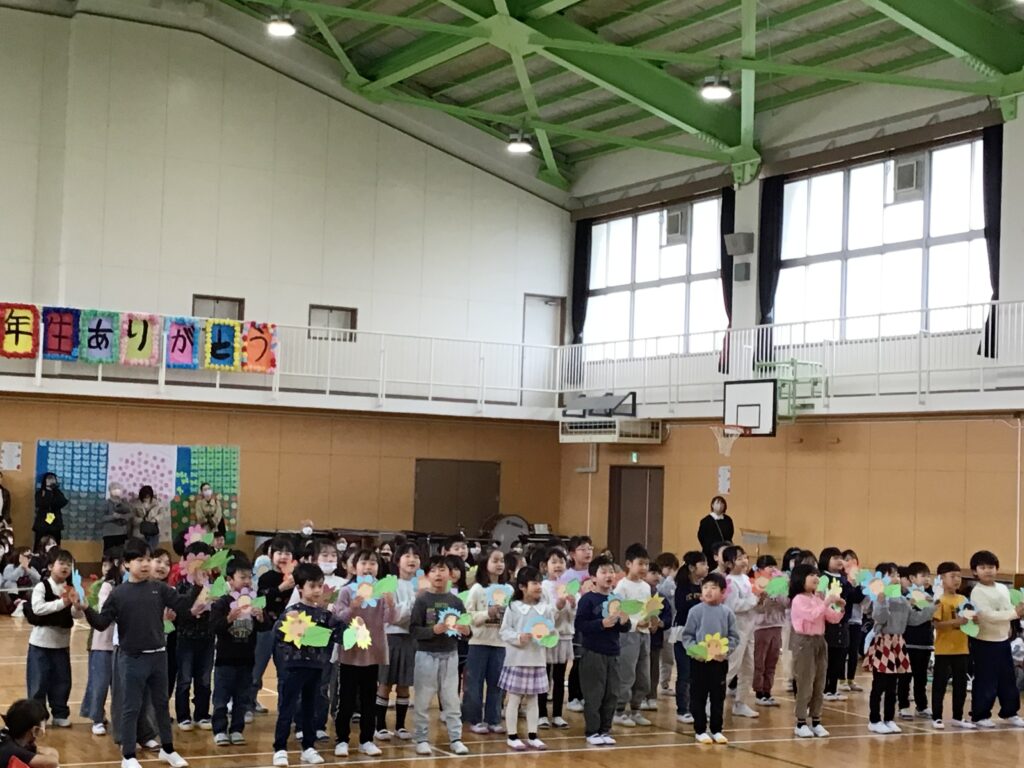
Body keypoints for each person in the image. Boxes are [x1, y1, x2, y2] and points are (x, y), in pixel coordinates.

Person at [82, 537, 202, 768]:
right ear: (126, 564)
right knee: (131, 707)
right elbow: (101, 623)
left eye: (148, 559)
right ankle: (128, 756)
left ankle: (167, 749)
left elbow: (183, 605)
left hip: (158, 656)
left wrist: (196, 586)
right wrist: (86, 608)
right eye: (139, 560)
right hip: (131, 658)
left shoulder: (160, 588)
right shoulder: (119, 594)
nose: (146, 564)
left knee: (161, 705)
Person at [271, 563, 339, 767]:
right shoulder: (293, 611)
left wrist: (353, 628)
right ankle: (280, 748)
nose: (317, 590)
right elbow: (280, 633)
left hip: (316, 667)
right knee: (288, 707)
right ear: (300, 588)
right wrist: (299, 629)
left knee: (311, 708)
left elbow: (336, 635)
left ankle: (308, 747)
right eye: (312, 586)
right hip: (294, 667)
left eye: (320, 585)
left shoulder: (325, 614)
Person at [333, 550, 395, 758]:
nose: (368, 567)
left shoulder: (382, 592)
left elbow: (391, 619)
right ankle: (342, 739)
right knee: (347, 700)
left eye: (373, 563)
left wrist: (391, 602)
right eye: (364, 562)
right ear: (354, 567)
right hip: (351, 652)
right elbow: (339, 617)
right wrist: (353, 606)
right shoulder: (346, 591)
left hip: (373, 652)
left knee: (369, 699)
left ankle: (366, 740)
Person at [409, 555, 470, 756]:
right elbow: (414, 630)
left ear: (450, 574)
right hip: (426, 655)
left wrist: (466, 631)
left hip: (450, 654)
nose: (438, 574)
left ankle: (456, 738)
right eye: (433, 570)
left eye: (442, 569)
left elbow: (467, 630)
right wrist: (433, 630)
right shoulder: (422, 600)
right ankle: (421, 738)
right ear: (427, 575)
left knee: (452, 699)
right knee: (423, 700)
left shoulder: (456, 601)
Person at [575, 555, 630, 746]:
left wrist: (625, 622)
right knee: (594, 693)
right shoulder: (588, 600)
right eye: (603, 572)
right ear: (593, 577)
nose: (609, 575)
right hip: (593, 652)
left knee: (612, 693)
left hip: (613, 652)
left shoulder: (617, 599)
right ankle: (592, 731)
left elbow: (624, 627)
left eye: (611, 572)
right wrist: (601, 624)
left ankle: (605, 729)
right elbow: (580, 624)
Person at [25, 548, 82, 726]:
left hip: (61, 645)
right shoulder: (42, 587)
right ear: (50, 566)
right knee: (38, 684)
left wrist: (77, 605)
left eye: (69, 564)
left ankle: (60, 714)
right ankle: (37, 717)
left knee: (62, 682)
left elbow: (77, 615)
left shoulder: (71, 588)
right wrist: (62, 602)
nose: (65, 567)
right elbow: (38, 608)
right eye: (61, 563)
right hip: (40, 645)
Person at [967, 549, 1024, 728]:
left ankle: (1010, 712)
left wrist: (1014, 615)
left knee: (1007, 679)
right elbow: (987, 615)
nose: (988, 571)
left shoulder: (1002, 588)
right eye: (983, 567)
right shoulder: (977, 592)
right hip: (984, 641)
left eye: (991, 567)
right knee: (986, 679)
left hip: (1002, 641)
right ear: (975, 571)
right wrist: (1015, 613)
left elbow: (1007, 610)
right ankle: (980, 715)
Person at [498, 566, 552, 751]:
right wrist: (519, 637)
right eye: (534, 583)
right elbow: (504, 631)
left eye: (540, 582)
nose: (539, 586)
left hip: (537, 659)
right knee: (514, 699)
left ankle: (533, 735)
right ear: (522, 586)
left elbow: (551, 630)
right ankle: (512, 736)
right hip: (517, 659)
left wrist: (547, 636)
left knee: (533, 699)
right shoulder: (513, 607)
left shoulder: (545, 608)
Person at [209, 555, 261, 746]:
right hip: (225, 660)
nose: (247, 581)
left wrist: (261, 617)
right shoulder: (222, 603)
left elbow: (264, 627)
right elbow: (214, 626)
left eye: (249, 577)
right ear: (230, 580)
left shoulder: (254, 601)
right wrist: (229, 619)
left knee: (242, 698)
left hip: (246, 659)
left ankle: (237, 729)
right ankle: (220, 730)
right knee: (221, 698)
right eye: (242, 577)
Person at [789, 562, 845, 738]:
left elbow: (833, 618)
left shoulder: (817, 599)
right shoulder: (798, 600)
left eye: (816, 575)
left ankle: (816, 720)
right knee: (805, 682)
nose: (816, 578)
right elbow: (811, 616)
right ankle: (800, 722)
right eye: (811, 575)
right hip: (804, 642)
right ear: (800, 579)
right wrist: (826, 601)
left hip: (820, 641)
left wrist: (840, 607)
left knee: (819, 682)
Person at [682, 572, 739, 745]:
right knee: (698, 696)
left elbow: (734, 637)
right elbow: (687, 636)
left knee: (717, 696)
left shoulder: (727, 613)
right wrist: (696, 651)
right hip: (699, 662)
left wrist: (725, 652)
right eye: (705, 587)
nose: (708, 591)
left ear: (723, 592)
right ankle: (700, 729)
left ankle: (716, 729)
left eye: (713, 588)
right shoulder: (695, 611)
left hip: (719, 662)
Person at [376, 541, 420, 741]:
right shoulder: (389, 583)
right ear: (397, 560)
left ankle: (401, 725)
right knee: (385, 682)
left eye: (416, 556)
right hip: (390, 637)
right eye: (407, 555)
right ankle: (380, 725)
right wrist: (414, 601)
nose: (412, 560)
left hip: (411, 638)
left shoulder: (422, 584)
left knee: (404, 684)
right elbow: (393, 616)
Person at [462, 547, 508, 735]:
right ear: (485, 564)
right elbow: (468, 615)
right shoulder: (477, 589)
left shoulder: (509, 589)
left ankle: (493, 719)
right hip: (478, 643)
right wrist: (486, 614)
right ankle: (474, 719)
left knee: (497, 683)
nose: (499, 564)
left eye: (502, 561)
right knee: (474, 683)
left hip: (500, 644)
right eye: (495, 560)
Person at [250, 537, 296, 718]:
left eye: (287, 553)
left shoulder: (297, 578)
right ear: (271, 556)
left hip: (289, 630)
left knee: (286, 672)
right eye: (279, 552)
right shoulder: (266, 577)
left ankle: (285, 709)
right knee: (257, 668)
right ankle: (248, 703)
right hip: (266, 628)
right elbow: (261, 599)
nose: (283, 556)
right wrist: (281, 588)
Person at [612, 543, 656, 727]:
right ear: (629, 564)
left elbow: (647, 608)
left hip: (644, 635)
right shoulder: (621, 587)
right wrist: (636, 623)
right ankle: (618, 710)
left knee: (643, 674)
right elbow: (618, 612)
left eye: (647, 564)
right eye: (640, 564)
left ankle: (636, 709)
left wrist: (651, 620)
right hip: (628, 634)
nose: (644, 568)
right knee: (627, 673)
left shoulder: (646, 587)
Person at [865, 567, 913, 735]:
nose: (896, 578)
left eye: (897, 574)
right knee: (879, 684)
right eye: (891, 575)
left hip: (898, 642)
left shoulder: (903, 600)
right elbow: (880, 618)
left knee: (893, 685)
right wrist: (881, 600)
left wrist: (929, 608)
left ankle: (889, 718)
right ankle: (874, 720)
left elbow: (913, 619)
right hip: (884, 642)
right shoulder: (880, 598)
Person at [174, 542, 215, 732]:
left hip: (207, 638)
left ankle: (202, 714)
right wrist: (196, 590)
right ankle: (183, 716)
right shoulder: (182, 586)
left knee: (204, 679)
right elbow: (179, 611)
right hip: (186, 639)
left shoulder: (214, 586)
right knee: (184, 679)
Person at [931, 561, 975, 730]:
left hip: (962, 648)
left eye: (959, 576)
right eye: (952, 576)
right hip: (943, 649)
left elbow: (970, 621)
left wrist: (974, 619)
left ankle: (958, 716)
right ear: (942, 578)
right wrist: (956, 622)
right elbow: (936, 624)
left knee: (960, 685)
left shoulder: (963, 599)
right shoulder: (939, 600)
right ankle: (937, 716)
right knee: (940, 684)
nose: (957, 580)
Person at [80, 550, 121, 735]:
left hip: (122, 643)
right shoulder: (107, 586)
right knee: (100, 683)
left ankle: (119, 719)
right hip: (103, 641)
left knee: (119, 685)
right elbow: (105, 612)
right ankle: (97, 718)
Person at [538, 547, 575, 729]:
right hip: (548, 637)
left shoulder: (570, 586)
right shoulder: (543, 587)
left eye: (561, 562)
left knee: (560, 677)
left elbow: (573, 616)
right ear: (545, 566)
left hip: (565, 637)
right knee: (543, 675)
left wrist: (573, 605)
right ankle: (541, 714)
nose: (558, 565)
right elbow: (543, 614)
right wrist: (558, 607)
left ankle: (558, 714)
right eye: (554, 562)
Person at [818, 547, 859, 702]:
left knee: (840, 656)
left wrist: (853, 584)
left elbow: (851, 596)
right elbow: (821, 596)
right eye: (835, 558)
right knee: (828, 656)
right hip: (828, 621)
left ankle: (833, 688)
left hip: (843, 620)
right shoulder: (823, 577)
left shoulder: (844, 577)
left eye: (840, 558)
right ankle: (824, 688)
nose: (839, 561)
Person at [722, 545, 759, 718]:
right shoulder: (729, 581)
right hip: (736, 629)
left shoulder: (746, 579)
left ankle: (741, 703)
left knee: (748, 667)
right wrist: (754, 600)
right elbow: (733, 606)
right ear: (729, 564)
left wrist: (760, 600)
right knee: (732, 666)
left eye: (745, 557)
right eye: (739, 559)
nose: (744, 561)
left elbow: (753, 602)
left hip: (750, 628)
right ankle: (712, 701)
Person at [671, 551, 707, 725]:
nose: (706, 567)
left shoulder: (704, 586)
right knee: (684, 673)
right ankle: (682, 709)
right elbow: (681, 607)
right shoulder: (682, 587)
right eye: (703, 564)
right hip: (682, 633)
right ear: (692, 567)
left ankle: (695, 707)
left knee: (697, 675)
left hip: (700, 634)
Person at [899, 561, 936, 719]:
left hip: (925, 643)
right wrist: (931, 609)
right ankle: (903, 705)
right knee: (905, 676)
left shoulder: (929, 596)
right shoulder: (907, 597)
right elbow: (912, 619)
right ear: (912, 578)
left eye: (928, 576)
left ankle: (922, 706)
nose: (927, 579)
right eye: (923, 576)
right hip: (909, 642)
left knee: (921, 678)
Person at [753, 554, 787, 706]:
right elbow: (757, 608)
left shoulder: (780, 582)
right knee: (760, 660)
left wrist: (780, 591)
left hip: (777, 625)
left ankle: (768, 690)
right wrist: (765, 597)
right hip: (761, 626)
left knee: (772, 660)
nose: (773, 569)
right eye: (769, 567)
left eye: (774, 566)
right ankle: (759, 691)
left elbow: (786, 603)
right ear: (760, 569)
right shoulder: (757, 583)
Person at [0, 699, 60, 768]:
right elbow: (53, 762)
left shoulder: (7, 735)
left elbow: (52, 751)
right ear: (35, 730)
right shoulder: (13, 750)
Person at [839, 549, 865, 692]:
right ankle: (841, 680)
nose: (850, 562)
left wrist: (859, 585)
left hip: (857, 619)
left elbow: (860, 598)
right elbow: (849, 597)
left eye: (853, 560)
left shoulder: (860, 580)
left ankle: (851, 679)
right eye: (847, 559)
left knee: (854, 651)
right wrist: (850, 584)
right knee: (843, 650)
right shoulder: (842, 579)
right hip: (844, 619)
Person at [32, 474, 67, 548]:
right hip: (42, 524)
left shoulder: (57, 492)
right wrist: (48, 490)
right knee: (39, 544)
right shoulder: (40, 493)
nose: (51, 481)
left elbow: (63, 502)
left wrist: (54, 489)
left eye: (53, 479)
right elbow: (41, 504)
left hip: (55, 524)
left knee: (56, 544)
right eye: (49, 479)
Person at [697, 496, 733, 562]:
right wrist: (708, 548)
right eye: (717, 503)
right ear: (712, 505)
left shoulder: (728, 520)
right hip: (710, 553)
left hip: (724, 552)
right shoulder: (705, 520)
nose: (720, 505)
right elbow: (701, 536)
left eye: (722, 503)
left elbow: (730, 534)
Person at [101, 483, 133, 553]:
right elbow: (102, 518)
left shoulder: (124, 502)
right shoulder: (106, 503)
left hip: (122, 532)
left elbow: (130, 514)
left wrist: (123, 517)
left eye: (118, 489)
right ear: (110, 490)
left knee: (121, 553)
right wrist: (113, 517)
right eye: (114, 489)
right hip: (109, 533)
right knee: (109, 553)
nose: (117, 490)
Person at [133, 486, 163, 550]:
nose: (146, 499)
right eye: (144, 497)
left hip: (153, 529)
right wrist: (142, 519)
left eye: (148, 497)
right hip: (141, 530)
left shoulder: (157, 503)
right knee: (141, 550)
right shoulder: (136, 504)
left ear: (151, 496)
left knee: (153, 549)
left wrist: (155, 519)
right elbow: (133, 518)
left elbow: (162, 514)